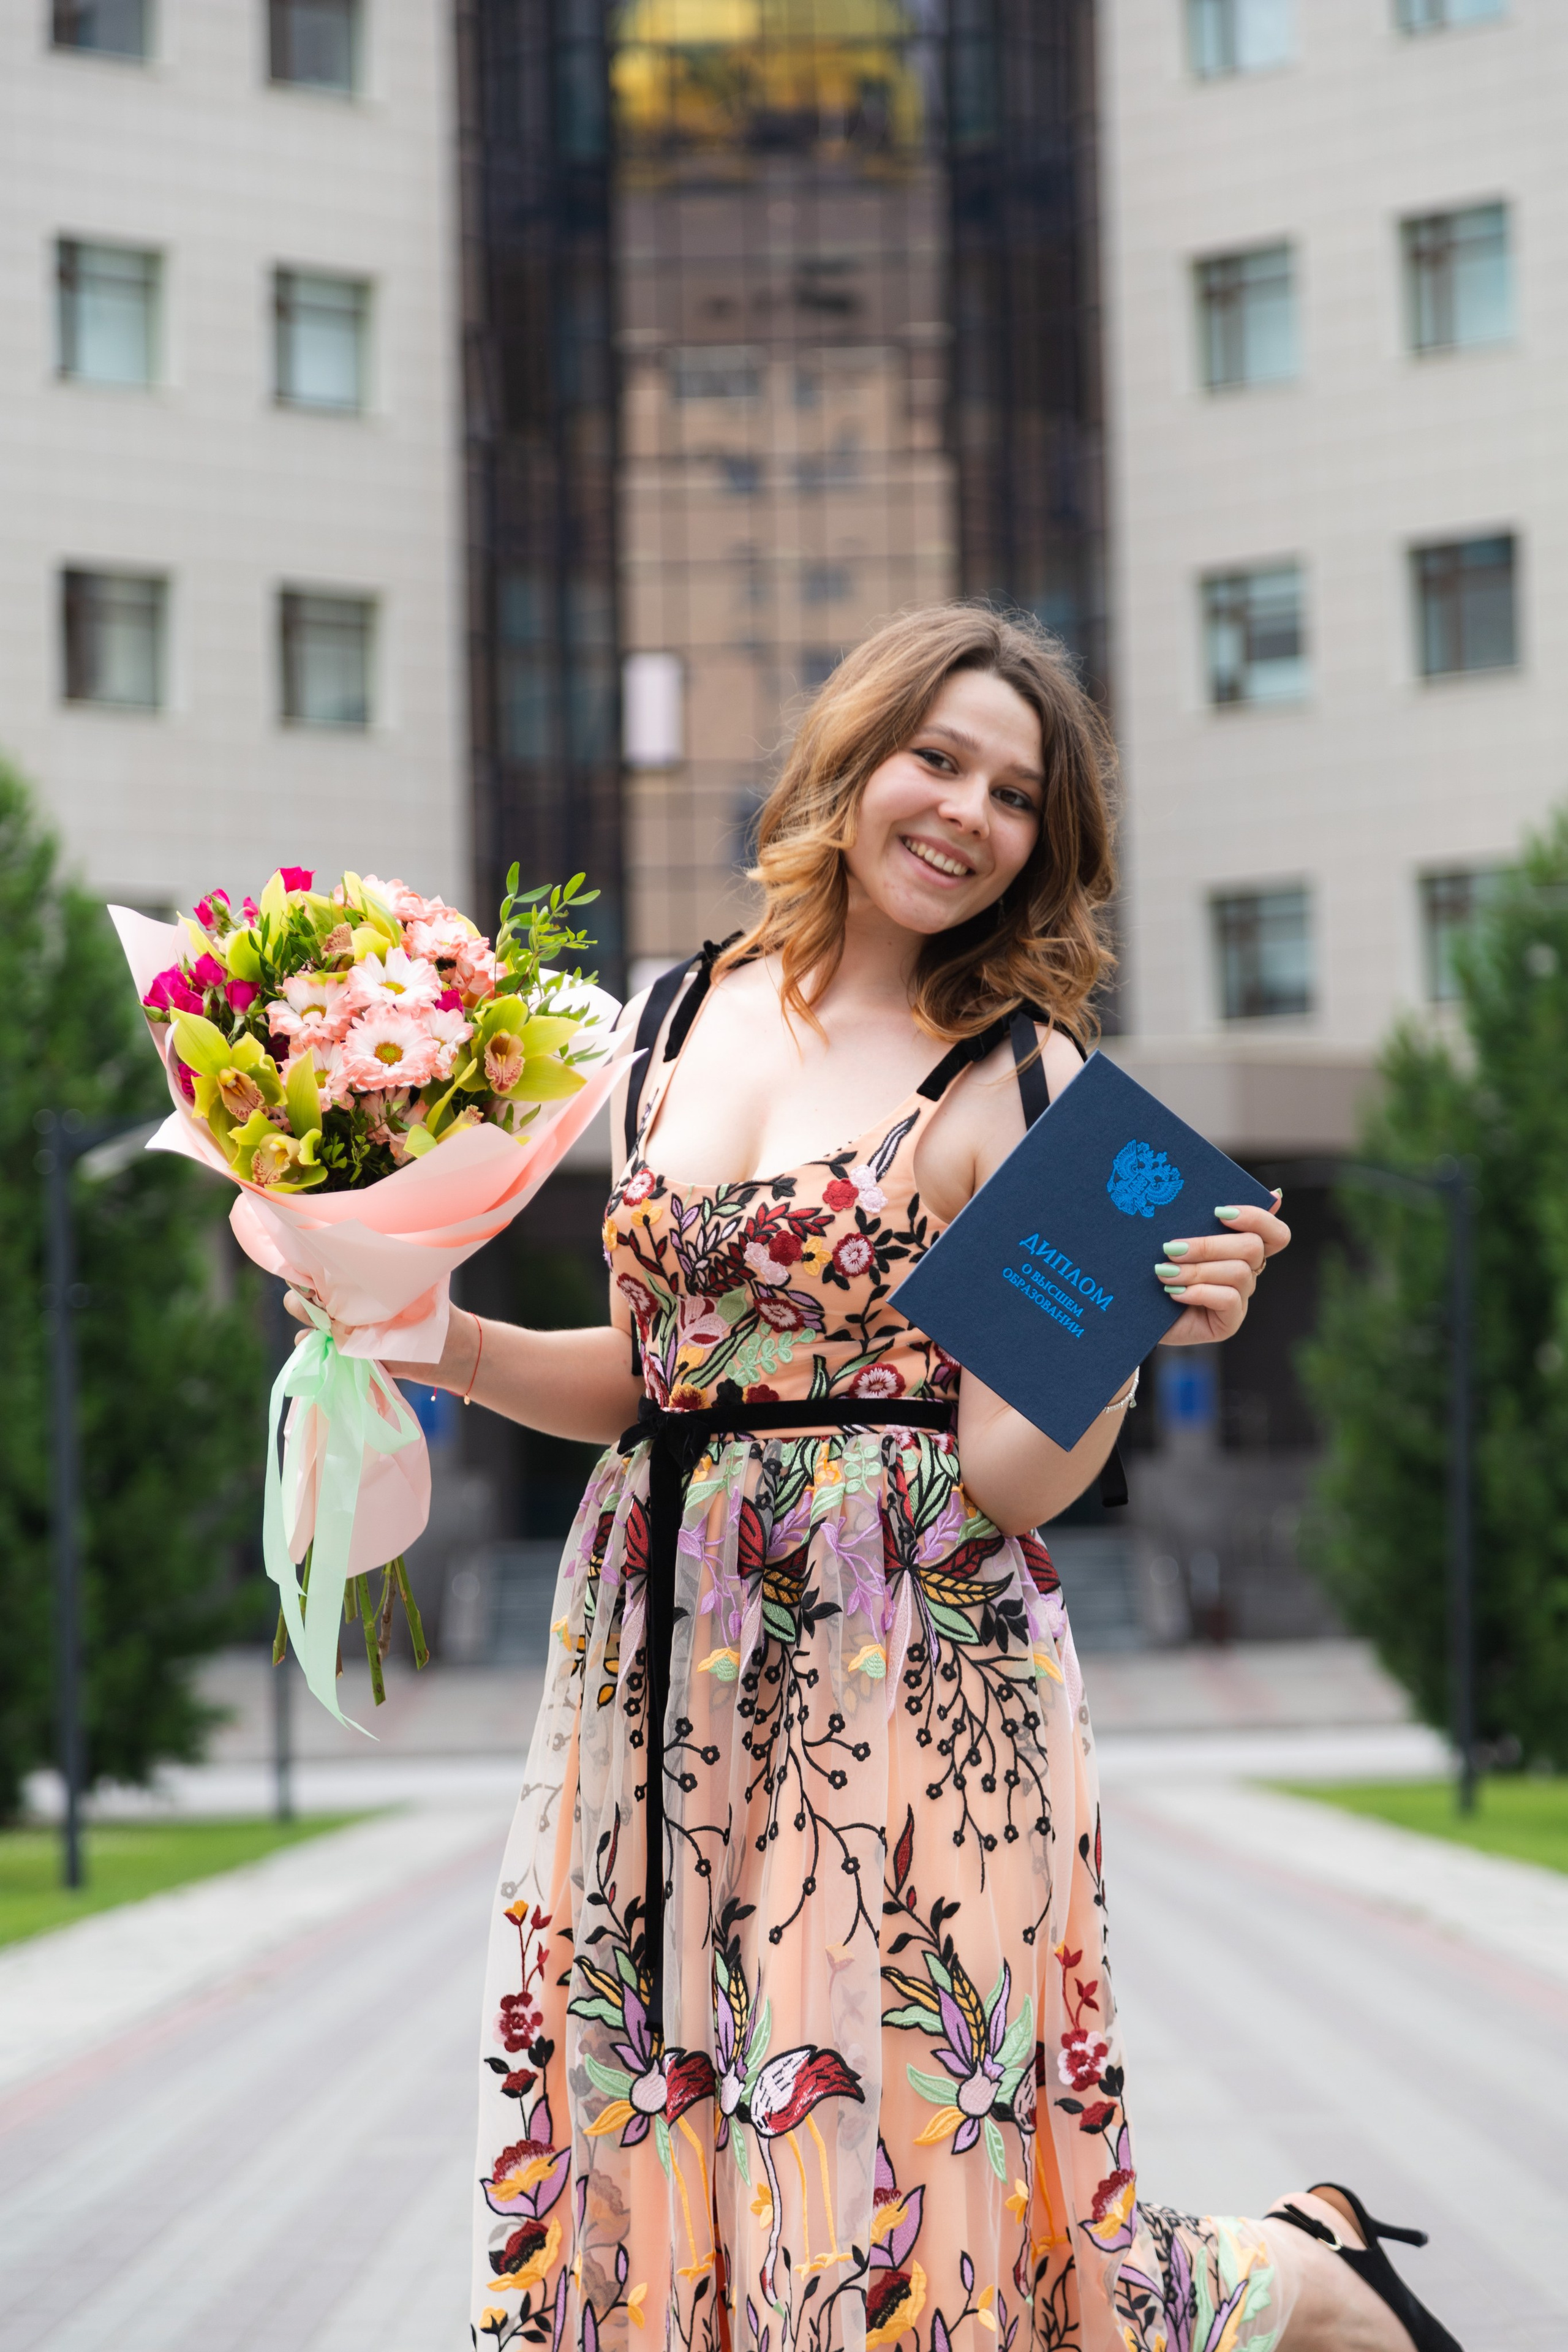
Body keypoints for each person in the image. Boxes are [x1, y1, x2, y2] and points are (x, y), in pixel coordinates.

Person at [309, 606, 1461, 2350]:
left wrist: (1133, 1336)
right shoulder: (672, 1014)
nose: (965, 810)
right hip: (656, 1648)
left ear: (1040, 849)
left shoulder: (1035, 1088)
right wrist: (437, 1339)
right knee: (661, 2106)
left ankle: (1300, 2274)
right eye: (939, 757)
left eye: (1015, 792)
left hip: (912, 1670)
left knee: (917, 2172)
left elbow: (1005, 1480)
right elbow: (660, 1378)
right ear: (857, 761)